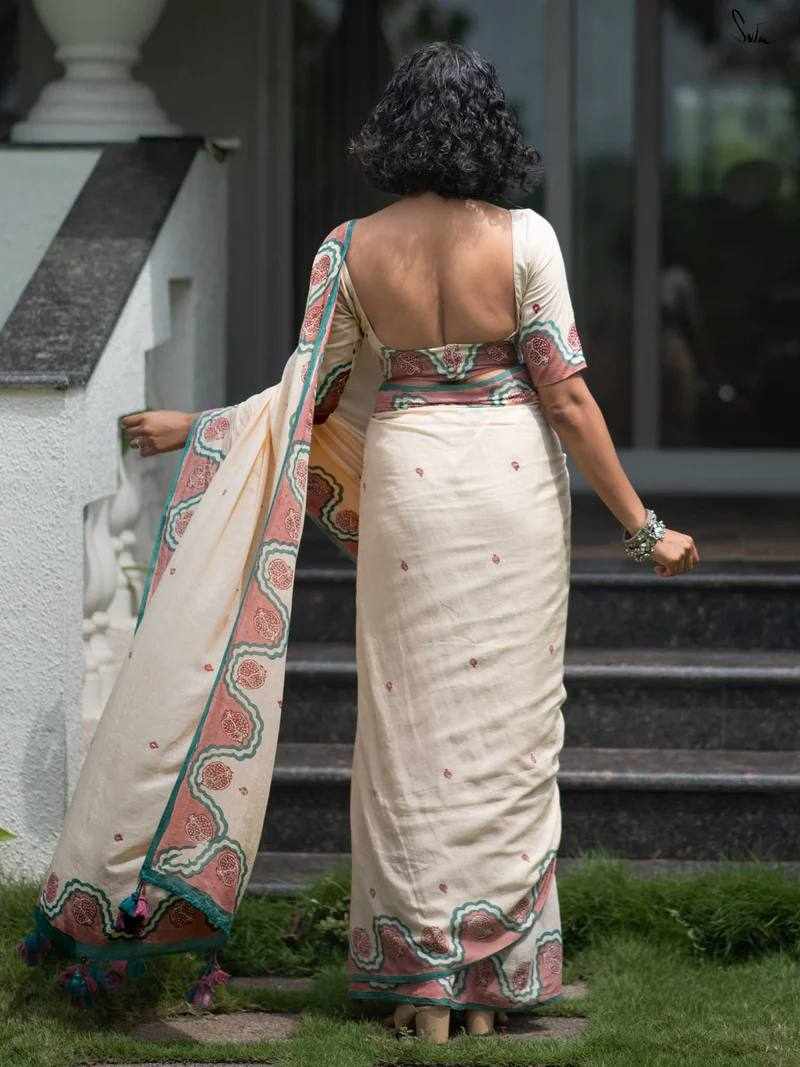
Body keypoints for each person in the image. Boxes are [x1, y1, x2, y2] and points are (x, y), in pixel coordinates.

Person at [20, 42, 697, 1044]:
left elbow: (309, 399)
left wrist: (199, 425)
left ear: (398, 129)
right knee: (507, 733)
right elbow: (566, 398)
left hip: (410, 478)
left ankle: (421, 978)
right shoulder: (524, 239)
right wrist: (643, 527)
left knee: (408, 729)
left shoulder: (348, 248)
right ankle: (486, 979)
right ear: (488, 128)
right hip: (507, 480)